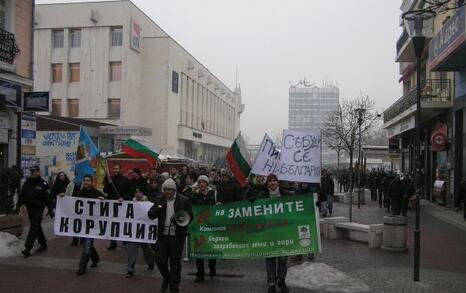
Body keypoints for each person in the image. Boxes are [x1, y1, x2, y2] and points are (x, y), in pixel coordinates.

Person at [148, 178, 193, 293]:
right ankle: (167, 278)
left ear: (174, 190)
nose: (166, 192)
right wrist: (158, 210)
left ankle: (174, 287)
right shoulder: (159, 200)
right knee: (159, 260)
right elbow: (150, 214)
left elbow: (190, 217)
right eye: (165, 189)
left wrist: (179, 218)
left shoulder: (183, 200)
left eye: (169, 189)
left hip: (177, 237)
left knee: (175, 263)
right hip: (163, 236)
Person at [250, 174, 292, 293]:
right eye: (270, 181)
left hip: (283, 231)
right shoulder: (262, 195)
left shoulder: (286, 194)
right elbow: (249, 200)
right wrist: (251, 183)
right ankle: (271, 283)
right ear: (267, 183)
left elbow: (302, 200)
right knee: (270, 259)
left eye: (274, 180)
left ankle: (282, 280)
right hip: (268, 232)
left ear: (278, 183)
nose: (272, 183)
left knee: (283, 259)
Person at [69, 174, 106, 275]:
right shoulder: (78, 193)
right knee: (88, 244)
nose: (86, 182)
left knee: (87, 245)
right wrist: (62, 197)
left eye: (88, 180)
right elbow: (70, 203)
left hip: (92, 225)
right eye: (84, 180)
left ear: (92, 182)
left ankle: (82, 267)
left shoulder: (97, 193)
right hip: (82, 224)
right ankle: (96, 258)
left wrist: (103, 200)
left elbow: (108, 203)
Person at [16, 166, 54, 258]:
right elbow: (22, 195)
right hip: (30, 208)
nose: (33, 173)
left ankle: (28, 248)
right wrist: (18, 205)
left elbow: (49, 198)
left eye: (35, 171)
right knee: (36, 225)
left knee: (33, 226)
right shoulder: (27, 183)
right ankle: (43, 243)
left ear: (38, 172)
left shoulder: (43, 184)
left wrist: (50, 209)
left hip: (38, 208)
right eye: (32, 171)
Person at [190, 175, 217, 282]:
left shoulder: (213, 194)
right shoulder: (194, 196)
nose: (201, 184)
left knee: (211, 248)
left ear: (207, 184)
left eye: (203, 182)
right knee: (199, 250)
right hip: (199, 227)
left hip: (210, 227)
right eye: (199, 182)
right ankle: (200, 273)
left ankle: (212, 267)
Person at [126, 188, 155, 278]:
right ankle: (130, 269)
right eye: (136, 192)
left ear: (143, 193)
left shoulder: (149, 203)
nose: (137, 194)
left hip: (144, 231)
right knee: (131, 249)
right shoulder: (130, 202)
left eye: (140, 192)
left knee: (147, 249)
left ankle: (150, 262)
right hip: (134, 231)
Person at [103, 163, 130, 250]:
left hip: (122, 205)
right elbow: (105, 190)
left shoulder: (125, 179)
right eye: (114, 169)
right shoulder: (110, 179)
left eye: (117, 168)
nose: (115, 170)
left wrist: (124, 198)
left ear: (120, 169)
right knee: (112, 224)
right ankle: (113, 243)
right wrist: (108, 183)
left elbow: (130, 192)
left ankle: (124, 240)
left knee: (122, 223)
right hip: (111, 205)